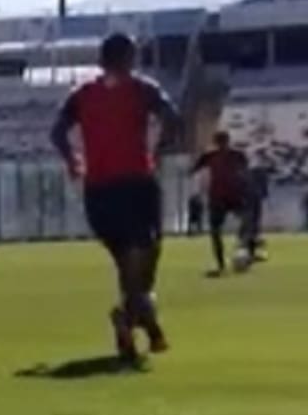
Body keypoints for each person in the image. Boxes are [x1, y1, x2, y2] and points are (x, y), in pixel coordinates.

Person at [51, 33, 180, 364]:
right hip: (136, 184)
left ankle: (143, 326)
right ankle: (131, 317)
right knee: (145, 258)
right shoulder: (143, 89)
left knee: (128, 263)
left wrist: (72, 159)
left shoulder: (81, 94)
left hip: (99, 192)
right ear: (129, 58)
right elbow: (172, 117)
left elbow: (57, 131)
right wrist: (159, 148)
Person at [190, 131, 253, 276]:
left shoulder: (213, 156)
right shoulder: (234, 155)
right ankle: (240, 253)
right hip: (229, 196)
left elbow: (193, 169)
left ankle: (225, 262)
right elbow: (245, 171)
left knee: (218, 231)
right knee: (244, 222)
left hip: (223, 197)